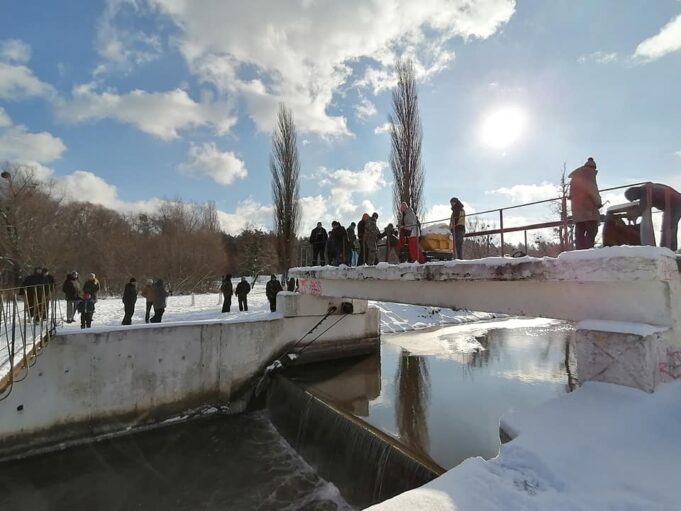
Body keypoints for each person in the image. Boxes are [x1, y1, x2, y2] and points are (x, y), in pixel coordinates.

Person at [624, 183, 681, 251]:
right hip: (674, 205)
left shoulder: (646, 191)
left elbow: (642, 207)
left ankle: (667, 250)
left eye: (634, 198)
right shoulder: (647, 189)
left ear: (634, 193)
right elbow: (643, 205)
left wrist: (633, 215)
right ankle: (668, 249)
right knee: (669, 227)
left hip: (675, 205)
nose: (635, 200)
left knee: (668, 227)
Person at [569, 157, 602, 250]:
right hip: (588, 210)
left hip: (577, 211)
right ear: (593, 168)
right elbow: (592, 190)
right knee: (592, 231)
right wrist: (598, 202)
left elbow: (571, 194)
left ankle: (580, 253)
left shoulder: (576, 177)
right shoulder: (589, 174)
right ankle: (588, 252)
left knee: (580, 233)